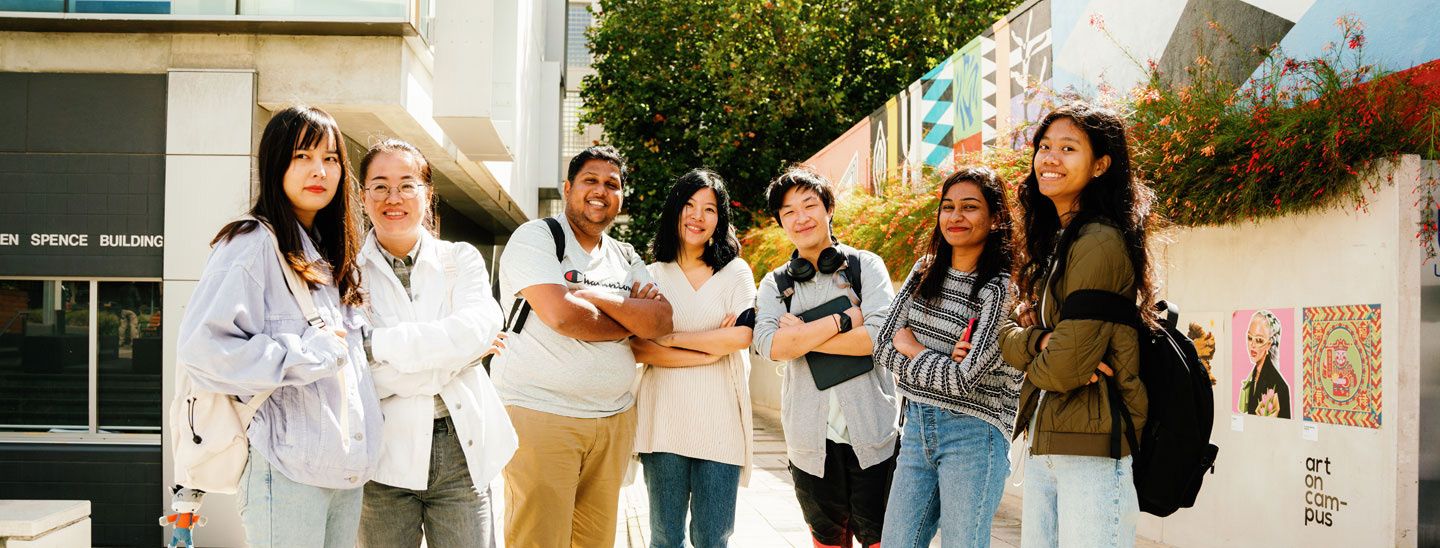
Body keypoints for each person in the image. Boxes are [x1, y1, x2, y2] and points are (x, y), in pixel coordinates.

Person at [177, 105, 380, 547]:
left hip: (342, 470)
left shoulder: (327, 252)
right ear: (275, 164)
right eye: (302, 156)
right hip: (287, 471)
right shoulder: (251, 244)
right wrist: (308, 353)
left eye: (330, 158)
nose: (319, 170)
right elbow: (203, 350)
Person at [491, 145, 674, 547]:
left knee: (596, 541)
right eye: (590, 180)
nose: (601, 191)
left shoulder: (624, 255)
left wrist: (590, 296)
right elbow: (561, 316)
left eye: (612, 184)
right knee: (539, 539)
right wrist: (629, 318)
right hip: (542, 414)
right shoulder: (537, 237)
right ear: (568, 188)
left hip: (612, 420)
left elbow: (660, 322)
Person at [998, 102, 1157, 547]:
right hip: (1047, 442)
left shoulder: (1098, 242)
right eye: (1044, 146)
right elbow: (1004, 334)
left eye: (1068, 148)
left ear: (1100, 165)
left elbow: (1063, 369)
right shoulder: (1060, 242)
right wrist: (1040, 342)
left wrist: (1034, 345)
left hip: (1093, 455)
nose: (1050, 158)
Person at [354, 139, 517, 547]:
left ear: (428, 194)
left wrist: (376, 345)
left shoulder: (460, 259)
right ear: (362, 196)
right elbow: (355, 371)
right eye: (380, 186)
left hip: (462, 450)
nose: (393, 198)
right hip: (381, 459)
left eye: (407, 185)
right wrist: (456, 359)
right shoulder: (347, 273)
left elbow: (478, 327)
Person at [751, 167, 899, 548]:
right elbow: (769, 345)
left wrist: (800, 336)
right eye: (788, 212)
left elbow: (878, 336)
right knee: (827, 542)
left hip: (875, 435)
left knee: (882, 540)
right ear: (781, 221)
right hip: (809, 444)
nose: (800, 218)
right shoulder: (776, 283)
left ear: (829, 208)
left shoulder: (866, 266)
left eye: (809, 205)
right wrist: (845, 319)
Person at [874, 166, 1021, 548]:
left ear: (995, 218)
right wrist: (943, 360)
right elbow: (883, 346)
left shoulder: (1000, 290)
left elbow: (962, 381)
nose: (956, 216)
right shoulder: (924, 270)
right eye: (948, 206)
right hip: (916, 426)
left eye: (970, 207)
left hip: (975, 433)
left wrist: (915, 347)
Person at [630, 169, 756, 548]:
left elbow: (742, 335)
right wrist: (709, 349)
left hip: (721, 423)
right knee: (665, 538)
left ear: (720, 219)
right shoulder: (651, 275)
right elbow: (638, 348)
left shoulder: (735, 272)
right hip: (662, 423)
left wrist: (670, 339)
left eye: (709, 209)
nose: (698, 216)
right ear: (675, 210)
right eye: (689, 205)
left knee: (712, 538)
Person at [1239, 309, 1290, 418]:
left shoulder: (1279, 386)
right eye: (1249, 338)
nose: (1252, 345)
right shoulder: (1253, 376)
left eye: (1259, 340)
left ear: (1269, 344)